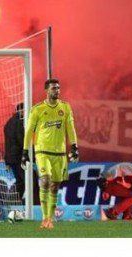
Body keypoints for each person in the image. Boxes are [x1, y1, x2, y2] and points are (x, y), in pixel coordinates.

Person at [21, 78, 79, 229]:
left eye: (58, 88)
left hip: (59, 153)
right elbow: (29, 131)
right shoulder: (38, 109)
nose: (57, 91)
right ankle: (44, 219)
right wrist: (25, 151)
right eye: (53, 88)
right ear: (46, 91)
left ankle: (50, 218)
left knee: (55, 186)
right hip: (42, 152)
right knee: (45, 180)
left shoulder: (65, 107)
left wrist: (74, 146)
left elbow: (70, 127)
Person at [4, 102, 25, 201]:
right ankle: (35, 205)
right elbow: (21, 140)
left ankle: (12, 200)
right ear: (21, 111)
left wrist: (7, 160)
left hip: (11, 158)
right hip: (19, 157)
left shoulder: (8, 123)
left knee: (20, 181)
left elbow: (7, 143)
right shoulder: (20, 123)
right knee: (29, 180)